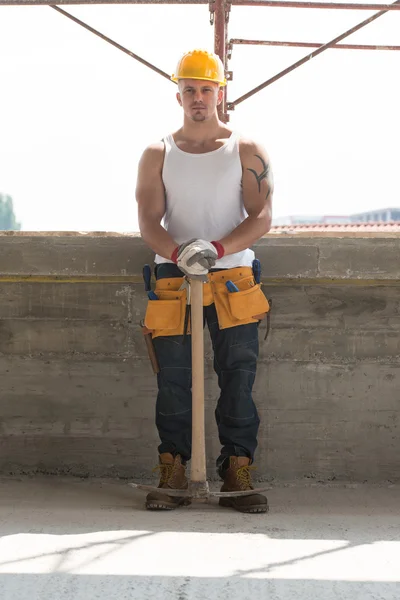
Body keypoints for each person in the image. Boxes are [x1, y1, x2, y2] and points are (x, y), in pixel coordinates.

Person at [136, 49, 273, 514]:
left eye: (206, 89)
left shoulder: (246, 150)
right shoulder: (159, 153)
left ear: (220, 92)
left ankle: (237, 469)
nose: (198, 98)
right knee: (173, 381)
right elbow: (149, 222)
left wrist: (214, 249)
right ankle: (174, 470)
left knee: (238, 377)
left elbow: (262, 216)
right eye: (190, 90)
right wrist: (179, 254)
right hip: (174, 278)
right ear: (178, 95)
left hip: (233, 277)